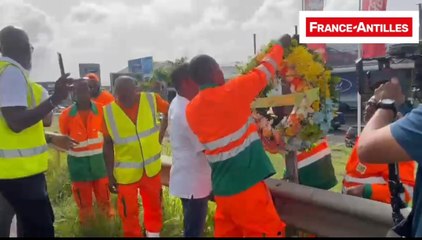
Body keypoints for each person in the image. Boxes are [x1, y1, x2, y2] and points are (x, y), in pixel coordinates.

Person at [185, 39, 286, 237]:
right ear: (216, 72)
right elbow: (265, 70)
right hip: (247, 187)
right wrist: (280, 45)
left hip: (223, 191)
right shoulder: (233, 91)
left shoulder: (191, 110)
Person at [0, 25, 73, 237]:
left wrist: (50, 137)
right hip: (19, 175)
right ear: (25, 48)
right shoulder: (12, 73)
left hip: (10, 173)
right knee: (39, 230)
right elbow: (16, 122)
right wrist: (54, 99)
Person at [103, 76, 169, 237]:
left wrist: (160, 136)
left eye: (128, 92)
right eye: (121, 94)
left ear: (136, 89)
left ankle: (153, 235)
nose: (125, 98)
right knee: (128, 211)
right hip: (126, 175)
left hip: (151, 170)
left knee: (154, 207)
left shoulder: (151, 99)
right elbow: (107, 144)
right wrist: (110, 175)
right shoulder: (108, 112)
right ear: (115, 93)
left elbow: (170, 111)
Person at [358, 77, 422, 237]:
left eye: (374, 102)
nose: (369, 108)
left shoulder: (403, 145)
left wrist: (386, 105)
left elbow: (366, 149)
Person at [59, 80, 115, 227]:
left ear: (90, 91)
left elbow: (108, 140)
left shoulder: (102, 110)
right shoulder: (65, 116)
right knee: (84, 207)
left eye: (85, 89)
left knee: (105, 203)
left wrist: (110, 170)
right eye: (79, 90)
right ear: (74, 94)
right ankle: (88, 231)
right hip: (79, 169)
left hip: (100, 167)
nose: (83, 93)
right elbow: (64, 139)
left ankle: (106, 230)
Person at [343, 95, 415, 204]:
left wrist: (365, 191)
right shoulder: (365, 138)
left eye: (373, 104)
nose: (367, 108)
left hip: (374, 214)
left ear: (390, 113)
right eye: (367, 103)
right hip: (352, 209)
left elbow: (405, 192)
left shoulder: (397, 146)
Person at [168, 64, 212, 237]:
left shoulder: (178, 102)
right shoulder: (187, 112)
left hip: (188, 178)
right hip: (195, 182)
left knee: (192, 228)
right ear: (186, 82)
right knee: (193, 231)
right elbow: (205, 147)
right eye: (197, 79)